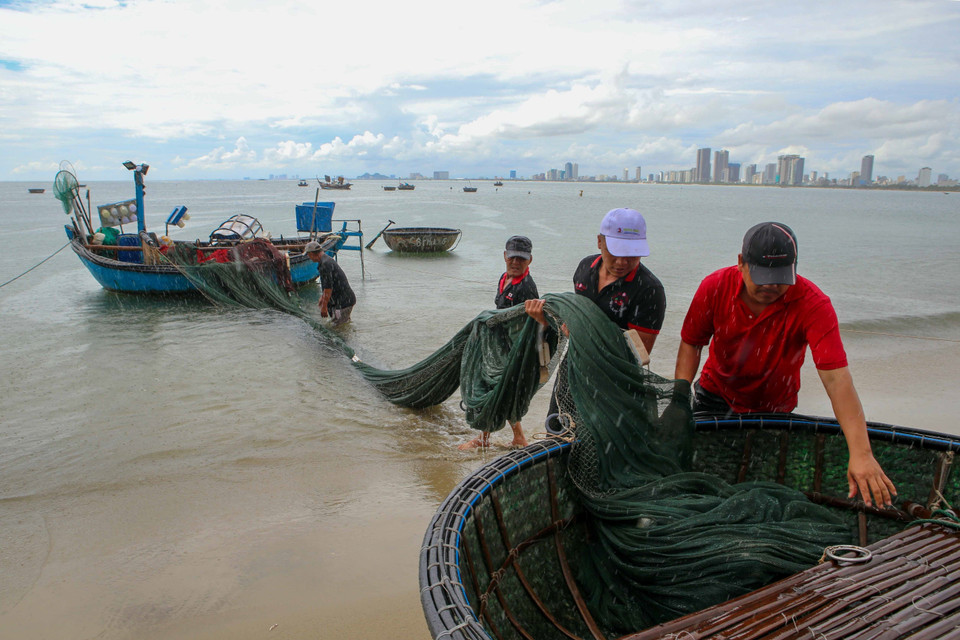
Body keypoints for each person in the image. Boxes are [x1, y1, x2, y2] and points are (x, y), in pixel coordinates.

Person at [674, 221, 896, 507]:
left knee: (761, 486)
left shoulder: (813, 304)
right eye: (762, 276)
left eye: (779, 277)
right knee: (703, 478)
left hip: (775, 410)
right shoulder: (715, 286)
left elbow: (837, 379)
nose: (770, 286)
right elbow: (692, 343)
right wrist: (679, 398)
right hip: (715, 396)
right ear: (741, 263)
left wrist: (861, 454)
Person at [525, 208, 666, 424]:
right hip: (573, 368)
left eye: (631, 254)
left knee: (595, 437)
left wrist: (584, 334)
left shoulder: (649, 289)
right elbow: (574, 316)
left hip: (613, 383)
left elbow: (639, 353)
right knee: (557, 428)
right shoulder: (585, 269)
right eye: (615, 251)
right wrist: (547, 321)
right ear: (600, 241)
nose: (622, 262)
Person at [459, 236, 539, 450]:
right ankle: (514, 437)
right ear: (505, 256)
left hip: (512, 349)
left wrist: (516, 356)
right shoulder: (504, 278)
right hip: (497, 346)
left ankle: (486, 439)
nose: (515, 262)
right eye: (512, 257)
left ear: (530, 260)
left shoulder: (526, 288)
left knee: (496, 390)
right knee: (499, 390)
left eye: (521, 259)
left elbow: (526, 326)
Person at [305, 240, 356, 326]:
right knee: (342, 325)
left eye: (308, 255)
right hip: (344, 300)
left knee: (337, 327)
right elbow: (329, 284)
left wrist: (324, 306)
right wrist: (323, 297)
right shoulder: (325, 260)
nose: (309, 257)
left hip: (343, 303)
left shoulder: (325, 264)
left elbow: (328, 288)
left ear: (312, 254)